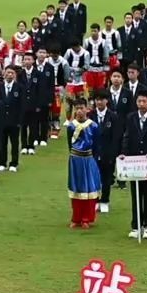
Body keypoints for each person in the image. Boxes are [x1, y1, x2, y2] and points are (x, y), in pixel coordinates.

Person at [119, 90, 147, 238]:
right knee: (136, 194)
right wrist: (124, 154)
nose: (141, 104)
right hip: (134, 163)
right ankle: (136, 225)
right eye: (139, 101)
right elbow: (126, 136)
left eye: (144, 101)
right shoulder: (131, 117)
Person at [63, 98, 102, 228]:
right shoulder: (71, 126)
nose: (79, 111)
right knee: (76, 188)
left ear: (87, 109)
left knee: (88, 188)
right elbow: (70, 144)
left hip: (88, 159)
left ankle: (87, 218)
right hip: (75, 160)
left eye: (81, 108)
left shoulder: (93, 126)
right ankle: (76, 217)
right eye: (77, 108)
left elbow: (96, 145)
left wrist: (93, 160)